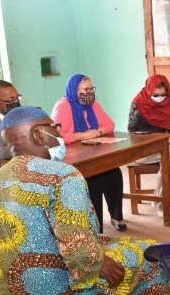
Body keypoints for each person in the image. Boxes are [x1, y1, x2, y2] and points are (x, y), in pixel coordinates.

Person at [0, 106, 170, 295]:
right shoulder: (63, 175)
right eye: (54, 127)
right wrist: (99, 265)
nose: (59, 133)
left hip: (11, 292)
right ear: (38, 135)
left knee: (142, 244)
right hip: (56, 294)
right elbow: (80, 254)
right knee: (153, 259)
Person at [51, 74, 127, 232]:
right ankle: (96, 226)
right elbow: (57, 136)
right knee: (94, 180)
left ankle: (116, 216)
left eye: (91, 88)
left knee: (114, 173)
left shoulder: (92, 105)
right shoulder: (63, 106)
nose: (90, 92)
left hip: (93, 151)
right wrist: (83, 135)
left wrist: (97, 132)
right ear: (74, 90)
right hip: (72, 157)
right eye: (86, 89)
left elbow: (109, 124)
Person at [128, 74, 170, 217]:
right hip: (142, 151)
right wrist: (156, 137)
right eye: (156, 95)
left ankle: (159, 202)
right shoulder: (138, 103)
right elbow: (132, 132)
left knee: (169, 160)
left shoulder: (168, 104)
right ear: (148, 91)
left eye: (162, 94)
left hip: (163, 150)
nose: (160, 97)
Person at [0, 79, 21, 169]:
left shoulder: (21, 114)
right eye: (10, 100)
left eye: (17, 97)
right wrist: (17, 149)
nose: (16, 102)